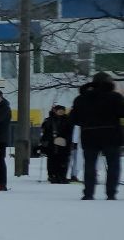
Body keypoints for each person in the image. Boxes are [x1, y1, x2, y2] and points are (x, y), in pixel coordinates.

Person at [69, 72, 123, 200]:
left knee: (89, 165)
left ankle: (88, 193)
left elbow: (74, 119)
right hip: (111, 135)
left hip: (89, 135)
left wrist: (86, 121)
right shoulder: (115, 97)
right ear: (108, 82)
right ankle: (111, 193)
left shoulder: (81, 99)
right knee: (113, 165)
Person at [39, 104, 75, 185]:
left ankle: (62, 176)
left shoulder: (67, 120)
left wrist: (65, 139)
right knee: (52, 160)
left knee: (63, 160)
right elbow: (45, 132)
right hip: (52, 144)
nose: (61, 112)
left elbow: (70, 131)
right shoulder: (49, 120)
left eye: (62, 110)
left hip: (64, 144)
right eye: (59, 110)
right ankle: (52, 175)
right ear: (55, 111)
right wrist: (44, 142)